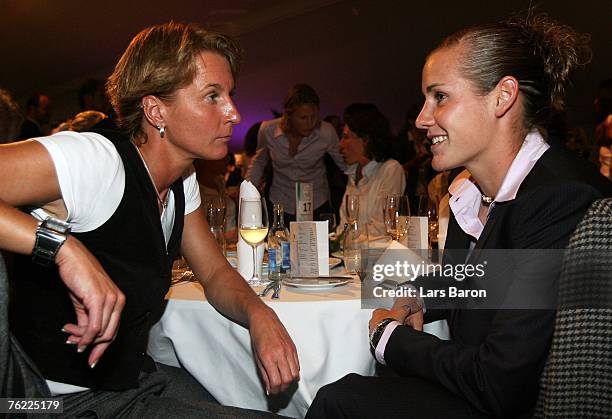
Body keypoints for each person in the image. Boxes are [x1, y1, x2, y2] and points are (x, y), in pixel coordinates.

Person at [308, 14, 611, 418]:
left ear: (502, 97)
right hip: (479, 383)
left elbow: (501, 384)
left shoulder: (558, 198)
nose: (420, 119)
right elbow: (481, 280)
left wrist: (389, 337)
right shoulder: (476, 191)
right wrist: (416, 294)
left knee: (339, 398)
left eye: (440, 97)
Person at [1, 22, 298, 417]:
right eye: (212, 96)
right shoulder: (96, 161)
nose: (233, 113)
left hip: (131, 380)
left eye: (229, 94)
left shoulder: (180, 178)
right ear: (156, 110)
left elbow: (213, 273)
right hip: (52, 399)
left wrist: (261, 314)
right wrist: (62, 247)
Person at [246, 83, 347, 222]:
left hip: (316, 204)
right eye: (303, 118)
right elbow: (259, 162)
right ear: (289, 115)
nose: (310, 123)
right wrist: (247, 193)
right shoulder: (268, 130)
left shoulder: (326, 132)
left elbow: (345, 164)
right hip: (280, 203)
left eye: (313, 117)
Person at [337, 103, 405, 238]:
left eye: (346, 137)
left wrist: (346, 240)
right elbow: (343, 226)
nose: (340, 145)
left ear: (366, 139)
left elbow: (382, 228)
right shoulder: (353, 172)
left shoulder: (390, 170)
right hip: (351, 254)